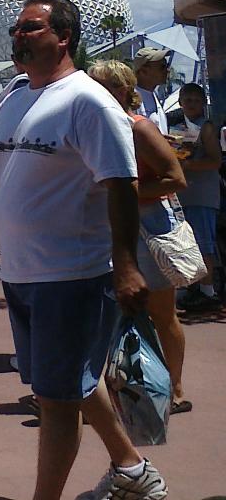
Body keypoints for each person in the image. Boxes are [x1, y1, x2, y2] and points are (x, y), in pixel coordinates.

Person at [0, 0, 167, 500]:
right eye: (16, 28)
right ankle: (134, 471)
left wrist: (126, 266)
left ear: (63, 37)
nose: (19, 35)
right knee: (70, 383)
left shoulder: (87, 101)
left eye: (31, 27)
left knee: (56, 401)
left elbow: (121, 183)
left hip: (72, 276)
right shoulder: (14, 98)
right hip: (22, 274)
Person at [89, 60, 191, 413]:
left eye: (99, 86)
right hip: (108, 227)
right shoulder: (93, 129)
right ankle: (109, 392)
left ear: (119, 90)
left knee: (162, 312)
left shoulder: (139, 128)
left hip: (148, 226)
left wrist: (125, 193)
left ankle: (175, 390)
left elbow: (176, 178)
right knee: (107, 314)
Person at [171, 83, 222, 312]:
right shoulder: (176, 127)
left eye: (196, 100)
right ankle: (192, 288)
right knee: (185, 245)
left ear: (203, 104)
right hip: (183, 195)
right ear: (180, 102)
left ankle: (208, 291)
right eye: (187, 100)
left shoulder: (206, 128)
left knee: (203, 245)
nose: (191, 104)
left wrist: (188, 165)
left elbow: (215, 161)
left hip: (202, 195)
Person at [132, 47, 171, 134]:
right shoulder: (132, 99)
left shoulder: (153, 94)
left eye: (167, 66)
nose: (167, 70)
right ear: (143, 71)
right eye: (162, 67)